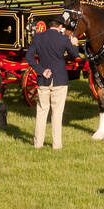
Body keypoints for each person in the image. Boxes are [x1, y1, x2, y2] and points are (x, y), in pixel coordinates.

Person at [24, 18, 79, 149]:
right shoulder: (64, 38)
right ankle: (57, 145)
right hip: (60, 79)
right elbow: (74, 55)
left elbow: (29, 57)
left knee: (42, 112)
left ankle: (38, 143)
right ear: (60, 26)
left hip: (43, 79)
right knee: (57, 113)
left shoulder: (38, 37)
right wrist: (74, 43)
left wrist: (41, 71)